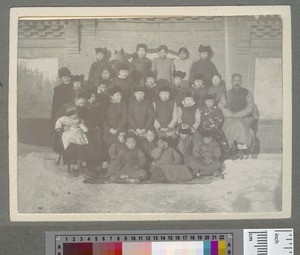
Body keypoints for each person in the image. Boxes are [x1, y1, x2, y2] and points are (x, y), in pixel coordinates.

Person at [55, 102, 102, 176]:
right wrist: (62, 128)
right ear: (69, 114)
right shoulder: (63, 119)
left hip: (79, 134)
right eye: (74, 114)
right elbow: (58, 127)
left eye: (77, 113)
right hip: (69, 134)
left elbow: (84, 127)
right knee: (72, 145)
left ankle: (84, 163)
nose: (76, 115)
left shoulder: (78, 120)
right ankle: (74, 164)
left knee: (87, 144)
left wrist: (87, 131)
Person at [219, 73, 256, 159]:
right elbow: (221, 106)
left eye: (239, 80)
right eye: (235, 81)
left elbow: (249, 107)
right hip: (229, 119)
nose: (237, 83)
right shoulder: (226, 93)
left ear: (241, 82)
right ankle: (232, 148)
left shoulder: (247, 93)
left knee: (239, 123)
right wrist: (231, 115)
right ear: (232, 82)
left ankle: (240, 149)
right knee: (234, 124)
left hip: (244, 118)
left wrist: (238, 115)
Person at [199, 94, 230, 161]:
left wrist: (213, 127)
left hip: (215, 129)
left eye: (211, 102)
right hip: (204, 129)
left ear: (213, 102)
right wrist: (204, 127)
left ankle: (223, 157)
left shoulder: (217, 110)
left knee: (221, 140)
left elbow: (220, 120)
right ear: (205, 102)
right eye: (208, 101)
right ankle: (203, 156)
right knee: (200, 139)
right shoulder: (202, 110)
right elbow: (199, 120)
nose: (209, 103)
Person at [51, 67, 73, 132]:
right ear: (61, 79)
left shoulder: (75, 86)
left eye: (68, 77)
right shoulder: (58, 90)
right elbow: (55, 106)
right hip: (63, 113)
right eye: (64, 78)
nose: (67, 79)